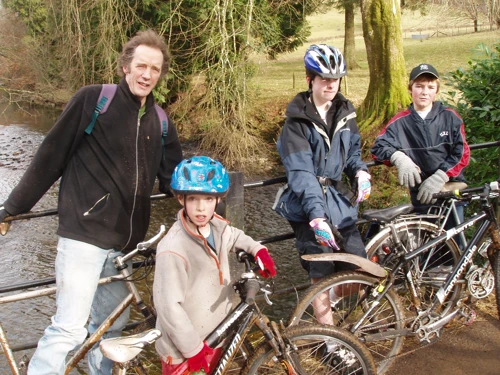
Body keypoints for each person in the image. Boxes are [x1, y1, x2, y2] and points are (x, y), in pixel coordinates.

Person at [0, 29, 183, 375]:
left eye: (155, 69)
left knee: (110, 328)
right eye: (141, 66)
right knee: (69, 327)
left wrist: (207, 211)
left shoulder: (160, 121)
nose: (147, 75)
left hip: (125, 245)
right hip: (83, 236)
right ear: (125, 66)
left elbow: (175, 179)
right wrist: (14, 206)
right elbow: (50, 155)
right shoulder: (94, 100)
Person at [273, 44, 371, 324]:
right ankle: (329, 342)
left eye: (335, 78)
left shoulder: (346, 112)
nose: (331, 84)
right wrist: (316, 216)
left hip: (339, 202)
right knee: (321, 272)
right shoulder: (296, 124)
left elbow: (352, 151)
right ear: (310, 80)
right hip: (307, 207)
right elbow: (301, 172)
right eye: (324, 78)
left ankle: (328, 303)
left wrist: (360, 172)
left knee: (359, 271)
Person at [153, 155, 276, 375]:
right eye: (193, 199)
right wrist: (192, 350)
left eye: (208, 200)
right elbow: (169, 308)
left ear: (218, 200)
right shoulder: (172, 249)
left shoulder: (216, 226)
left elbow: (233, 235)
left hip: (214, 334)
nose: (201, 208)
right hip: (184, 349)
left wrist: (258, 249)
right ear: (181, 199)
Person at [371, 63, 470, 248]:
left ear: (436, 91)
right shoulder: (400, 122)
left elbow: (462, 152)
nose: (424, 92)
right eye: (419, 86)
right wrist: (399, 158)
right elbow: (379, 147)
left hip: (450, 194)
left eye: (430, 87)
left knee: (456, 247)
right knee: (427, 250)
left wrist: (441, 177)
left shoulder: (451, 117)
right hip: (422, 197)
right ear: (410, 89)